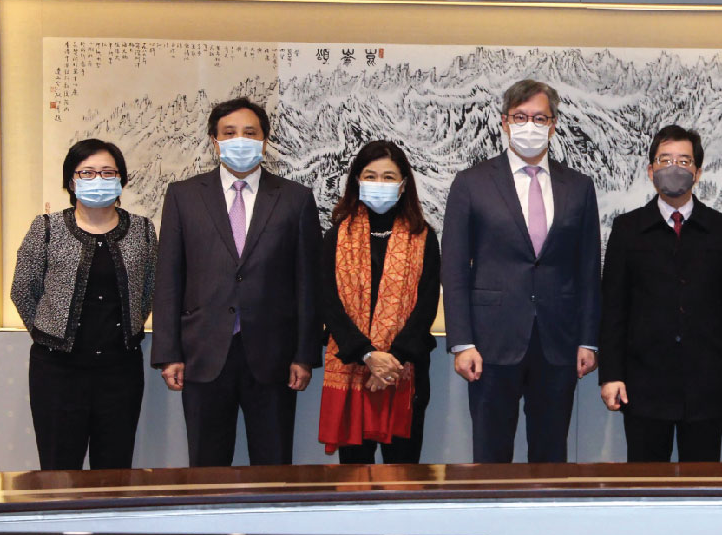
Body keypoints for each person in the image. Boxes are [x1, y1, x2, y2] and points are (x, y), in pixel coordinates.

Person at [149, 93, 320, 467]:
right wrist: (168, 353)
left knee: (274, 465)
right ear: (214, 141)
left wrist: (305, 354)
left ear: (264, 140)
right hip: (202, 353)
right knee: (207, 467)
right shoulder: (184, 196)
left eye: (249, 132)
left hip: (274, 356)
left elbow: (308, 283)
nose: (239, 140)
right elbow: (169, 278)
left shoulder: (295, 199)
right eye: (229, 132)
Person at [442, 78, 603, 463]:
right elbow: (454, 268)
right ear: (504, 122)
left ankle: (546, 524)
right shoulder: (471, 183)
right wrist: (462, 343)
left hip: (558, 342)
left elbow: (588, 269)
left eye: (539, 117)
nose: (529, 125)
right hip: (490, 344)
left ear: (553, 124)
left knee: (551, 455)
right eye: (520, 117)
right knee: (490, 454)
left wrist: (588, 339)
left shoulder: (578, 186)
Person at [595, 124, 722, 464]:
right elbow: (614, 307)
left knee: (703, 490)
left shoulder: (721, 229)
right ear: (650, 170)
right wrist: (611, 375)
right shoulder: (628, 229)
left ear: (698, 172)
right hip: (644, 385)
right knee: (645, 489)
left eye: (684, 161)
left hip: (706, 383)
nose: (674, 167)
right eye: (665, 159)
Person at [10, 136, 157, 471]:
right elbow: (23, 289)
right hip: (58, 372)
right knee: (59, 469)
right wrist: (50, 334)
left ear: (121, 179)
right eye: (87, 173)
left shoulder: (143, 230)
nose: (98, 180)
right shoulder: (46, 228)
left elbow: (149, 289)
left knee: (115, 468)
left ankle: (108, 525)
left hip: (120, 371)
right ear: (71, 182)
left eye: (108, 172)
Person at [315, 141, 441, 466]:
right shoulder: (336, 236)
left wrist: (391, 362)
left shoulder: (423, 236)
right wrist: (368, 356)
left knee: (403, 475)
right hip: (354, 368)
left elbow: (425, 305)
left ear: (403, 185)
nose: (379, 184)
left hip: (405, 372)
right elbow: (328, 302)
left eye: (388, 177)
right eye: (371, 176)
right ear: (357, 181)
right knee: (354, 477)